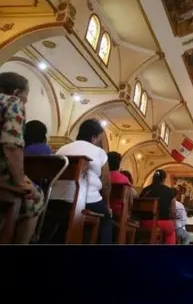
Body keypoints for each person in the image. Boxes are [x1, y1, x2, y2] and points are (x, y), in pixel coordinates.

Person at [50, 118, 112, 244]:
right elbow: (106, 183)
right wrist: (107, 205)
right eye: (98, 138)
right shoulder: (99, 152)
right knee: (106, 218)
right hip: (86, 199)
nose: (98, 141)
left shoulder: (63, 149)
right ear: (94, 136)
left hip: (55, 198)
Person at [0, 72, 44, 243]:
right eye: (26, 96)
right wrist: (19, 181)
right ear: (17, 93)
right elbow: (11, 145)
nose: (26, 101)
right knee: (36, 196)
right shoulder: (12, 102)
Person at [136, 169, 177, 244]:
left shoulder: (145, 190)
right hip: (163, 223)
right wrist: (173, 220)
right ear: (164, 179)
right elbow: (173, 211)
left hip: (145, 222)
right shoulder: (169, 191)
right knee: (171, 232)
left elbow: (139, 206)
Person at [107, 151, 135, 221]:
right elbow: (130, 202)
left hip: (103, 208)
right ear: (119, 165)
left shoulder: (102, 176)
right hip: (119, 212)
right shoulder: (124, 180)